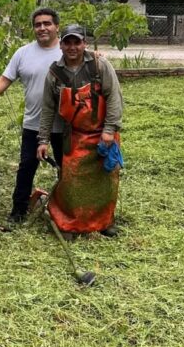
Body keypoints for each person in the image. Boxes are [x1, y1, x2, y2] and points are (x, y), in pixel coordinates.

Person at [0, 6, 63, 223]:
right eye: (38, 24)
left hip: (64, 125)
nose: (42, 28)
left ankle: (65, 211)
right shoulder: (23, 53)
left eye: (47, 23)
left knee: (66, 168)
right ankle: (18, 210)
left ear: (57, 26)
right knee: (26, 168)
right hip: (33, 123)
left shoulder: (67, 50)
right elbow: (4, 80)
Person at [36, 24, 124, 236]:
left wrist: (110, 130)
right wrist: (42, 140)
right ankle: (71, 224)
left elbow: (114, 97)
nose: (72, 47)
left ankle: (105, 223)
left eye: (77, 42)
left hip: (104, 134)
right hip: (75, 136)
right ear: (62, 45)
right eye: (68, 42)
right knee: (71, 182)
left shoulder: (99, 65)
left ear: (84, 43)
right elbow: (48, 108)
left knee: (106, 182)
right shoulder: (55, 73)